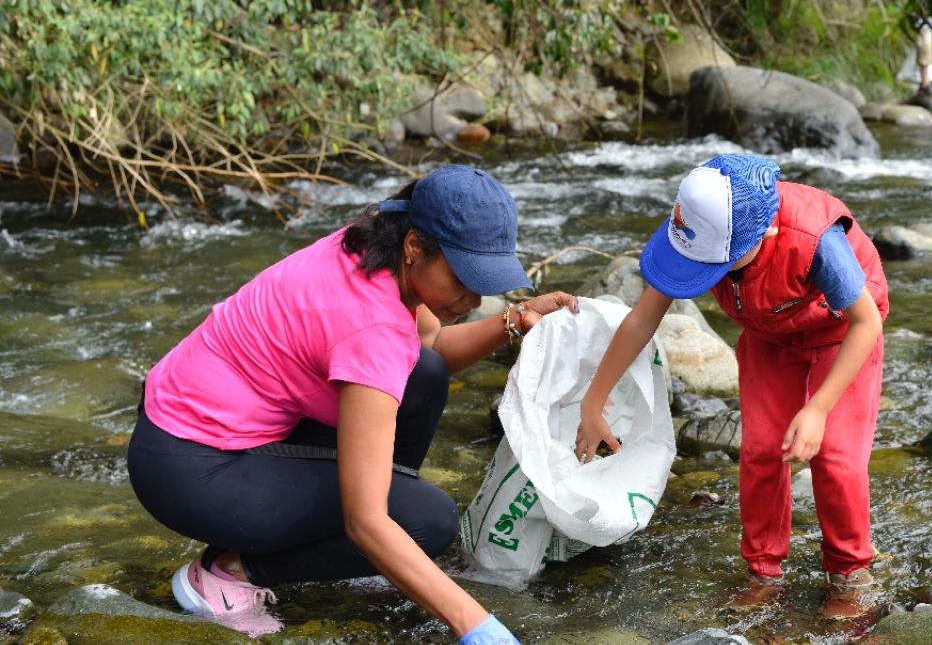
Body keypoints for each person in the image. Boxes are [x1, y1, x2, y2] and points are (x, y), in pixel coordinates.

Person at [127, 165, 572, 643]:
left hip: (194, 432)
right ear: (415, 247)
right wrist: (476, 625)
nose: (474, 296)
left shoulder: (372, 247)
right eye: (463, 276)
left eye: (486, 280)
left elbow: (433, 346)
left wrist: (514, 318)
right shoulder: (371, 328)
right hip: (191, 470)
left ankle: (346, 555)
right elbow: (366, 521)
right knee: (424, 522)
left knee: (426, 374)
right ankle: (227, 571)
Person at [575, 155, 889, 620]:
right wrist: (593, 400)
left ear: (763, 236)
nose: (702, 270)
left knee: (836, 455)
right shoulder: (693, 226)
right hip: (770, 335)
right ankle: (763, 572)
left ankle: (850, 573)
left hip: (842, 333)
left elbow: (866, 323)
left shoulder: (816, 240)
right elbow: (641, 319)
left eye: (715, 263)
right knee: (761, 448)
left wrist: (818, 409)